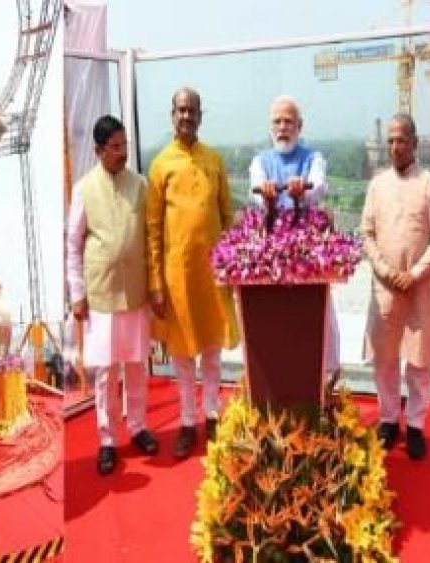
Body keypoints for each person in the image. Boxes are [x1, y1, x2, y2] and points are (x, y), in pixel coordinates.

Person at [147, 87, 239, 459]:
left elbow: (228, 215)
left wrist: (233, 262)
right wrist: (155, 282)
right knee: (183, 355)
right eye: (180, 110)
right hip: (177, 275)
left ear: (201, 116)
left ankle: (212, 415)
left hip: (212, 271)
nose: (186, 116)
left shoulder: (213, 160)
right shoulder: (160, 164)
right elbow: (153, 228)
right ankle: (188, 421)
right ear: (172, 115)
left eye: (192, 110)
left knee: (213, 349)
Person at [66, 114, 159, 475]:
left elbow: (151, 239)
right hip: (100, 295)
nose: (123, 153)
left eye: (125, 146)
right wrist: (76, 293)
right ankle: (107, 439)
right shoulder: (83, 189)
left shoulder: (140, 185)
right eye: (116, 147)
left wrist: (155, 288)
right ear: (99, 150)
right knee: (106, 372)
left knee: (136, 364)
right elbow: (73, 245)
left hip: (135, 293)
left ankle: (137, 427)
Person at [360, 114, 430, 460]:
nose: (395, 147)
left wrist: (414, 273)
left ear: (415, 143)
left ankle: (415, 425)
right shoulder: (377, 184)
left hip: (419, 287)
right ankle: (388, 419)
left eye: (401, 140)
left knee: (419, 362)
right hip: (385, 287)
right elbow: (366, 234)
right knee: (384, 360)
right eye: (390, 141)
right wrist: (385, 271)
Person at [249, 95, 341, 379]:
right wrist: (268, 194)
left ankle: (325, 382)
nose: (282, 127)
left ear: (299, 126)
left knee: (319, 319)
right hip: (273, 257)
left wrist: (303, 191)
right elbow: (257, 194)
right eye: (277, 122)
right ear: (270, 128)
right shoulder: (260, 161)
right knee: (276, 321)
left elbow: (318, 188)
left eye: (288, 121)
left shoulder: (314, 158)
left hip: (307, 255)